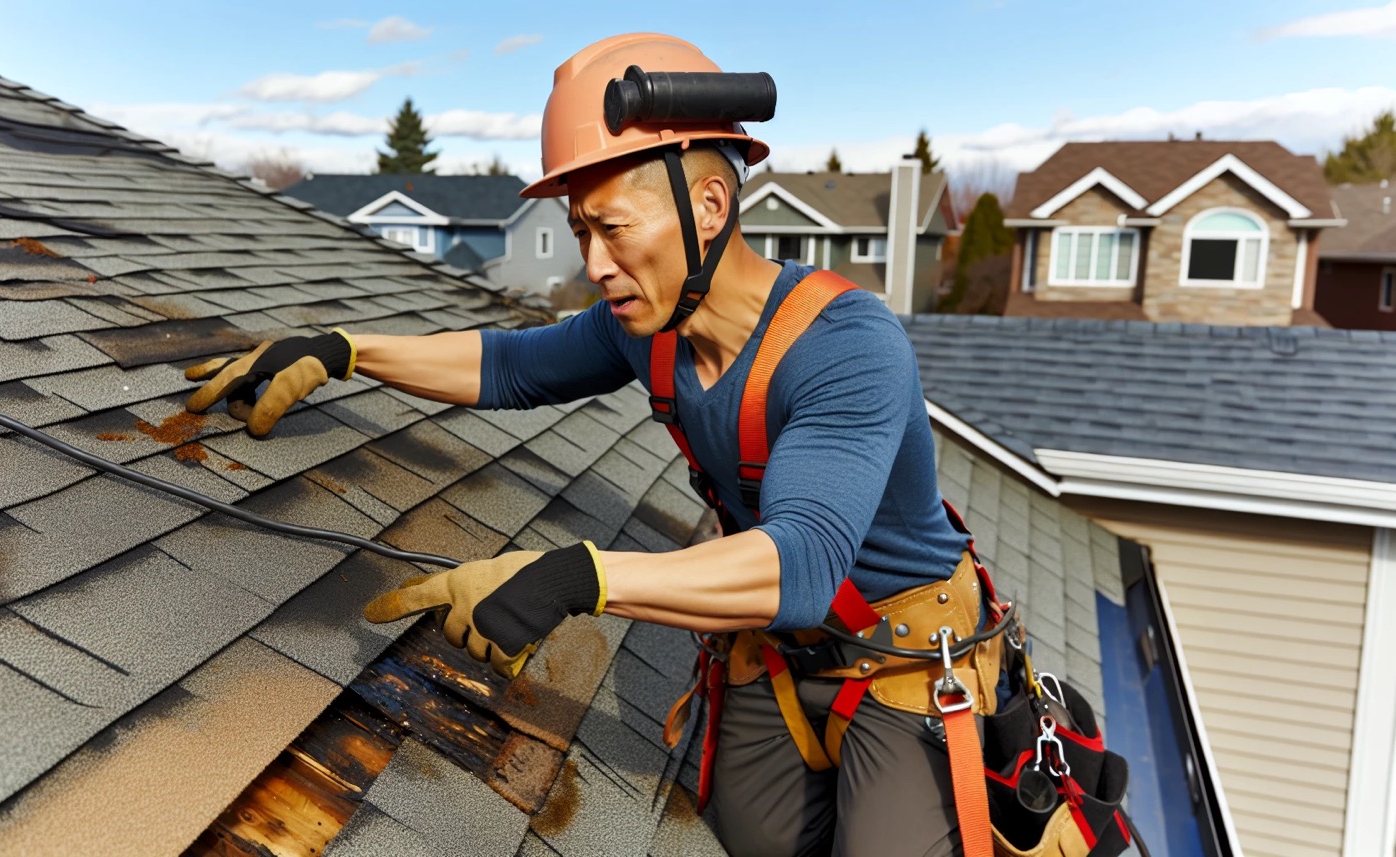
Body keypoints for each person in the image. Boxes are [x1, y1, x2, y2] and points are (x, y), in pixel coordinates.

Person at [184, 33, 1001, 857]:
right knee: (747, 841)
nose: (595, 264)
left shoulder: (845, 344)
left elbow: (801, 563)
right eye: (579, 232)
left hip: (902, 657)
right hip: (779, 655)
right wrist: (343, 349)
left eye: (612, 228)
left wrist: (578, 575)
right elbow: (509, 363)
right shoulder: (648, 327)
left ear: (710, 207)